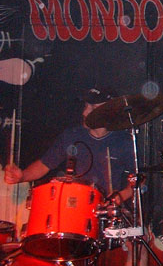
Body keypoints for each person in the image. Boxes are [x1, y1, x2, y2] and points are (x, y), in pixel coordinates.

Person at [4, 86, 134, 205]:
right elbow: (44, 165)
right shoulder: (72, 136)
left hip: (107, 210)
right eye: (86, 106)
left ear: (110, 112)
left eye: (93, 108)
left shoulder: (123, 141)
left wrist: (121, 196)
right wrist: (22, 176)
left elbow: (138, 179)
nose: (85, 113)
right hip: (77, 206)